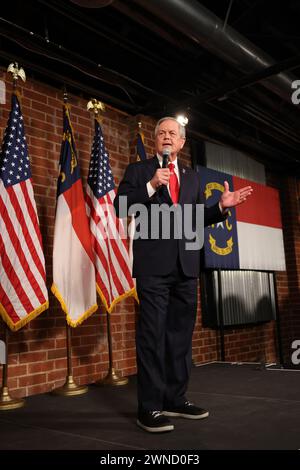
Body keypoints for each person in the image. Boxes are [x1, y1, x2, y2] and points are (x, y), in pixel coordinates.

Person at [114, 117, 253, 433]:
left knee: (179, 338)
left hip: (187, 268)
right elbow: (121, 207)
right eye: (161, 132)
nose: (166, 136)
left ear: (181, 143)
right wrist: (151, 185)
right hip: (153, 268)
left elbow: (192, 219)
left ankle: (174, 399)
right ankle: (148, 408)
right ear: (155, 141)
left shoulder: (192, 177)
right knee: (152, 337)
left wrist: (219, 207)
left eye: (172, 133)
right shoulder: (139, 171)